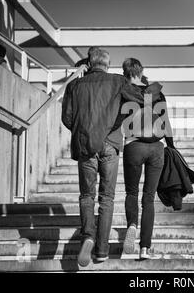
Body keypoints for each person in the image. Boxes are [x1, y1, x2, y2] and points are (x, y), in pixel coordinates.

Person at [61, 47, 159, 267]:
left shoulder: (75, 85)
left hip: (85, 145)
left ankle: (88, 236)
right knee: (107, 198)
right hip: (110, 145)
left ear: (89, 63)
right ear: (106, 64)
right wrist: (119, 118)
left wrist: (85, 130)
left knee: (87, 196)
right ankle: (102, 251)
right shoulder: (117, 82)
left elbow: (67, 118)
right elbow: (143, 99)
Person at [120, 58, 175, 260]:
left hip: (133, 145)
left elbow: (116, 119)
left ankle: (132, 225)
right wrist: (172, 146)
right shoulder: (157, 92)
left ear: (126, 73)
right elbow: (166, 122)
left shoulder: (124, 91)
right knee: (149, 198)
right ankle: (144, 248)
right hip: (156, 148)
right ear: (142, 71)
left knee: (132, 193)